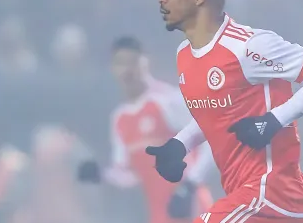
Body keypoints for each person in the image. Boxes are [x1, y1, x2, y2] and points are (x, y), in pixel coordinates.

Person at [146, 0, 303, 223]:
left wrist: (273, 120)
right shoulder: (185, 55)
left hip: (271, 194)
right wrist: (180, 144)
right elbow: (218, 113)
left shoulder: (248, 46)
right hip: (257, 200)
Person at [78, 36, 214, 223]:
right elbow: (129, 174)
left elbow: (211, 139)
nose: (127, 70)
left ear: (146, 62)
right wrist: (101, 174)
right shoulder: (120, 119)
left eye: (132, 62)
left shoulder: (167, 100)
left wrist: (190, 186)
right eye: (120, 63)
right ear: (113, 69)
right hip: (159, 213)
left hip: (189, 207)